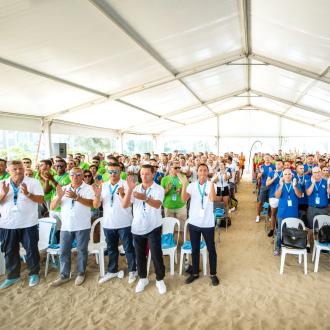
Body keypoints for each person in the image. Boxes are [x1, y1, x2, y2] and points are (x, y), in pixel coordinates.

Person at [122, 164, 166, 294]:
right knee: (139, 255)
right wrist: (129, 190)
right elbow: (125, 205)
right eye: (142, 174)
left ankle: (160, 279)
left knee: (156, 255)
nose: (144, 176)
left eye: (147, 174)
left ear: (153, 174)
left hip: (153, 227)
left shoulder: (158, 189)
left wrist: (145, 198)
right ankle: (143, 278)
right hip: (137, 227)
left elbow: (157, 205)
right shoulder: (135, 188)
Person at [0, 160, 44, 289]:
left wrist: (28, 194)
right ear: (8, 170)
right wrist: (3, 193)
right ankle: (13, 276)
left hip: (28, 223)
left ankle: (34, 273)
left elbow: (41, 200)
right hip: (7, 224)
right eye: (14, 169)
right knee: (10, 251)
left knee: (31, 250)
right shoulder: (2, 183)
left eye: (20, 168)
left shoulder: (33, 182)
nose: (18, 171)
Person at [93, 163, 137, 284]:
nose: (113, 174)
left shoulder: (126, 184)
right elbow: (96, 205)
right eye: (110, 171)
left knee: (128, 248)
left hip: (124, 222)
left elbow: (128, 204)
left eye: (116, 171)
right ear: (107, 172)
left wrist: (122, 194)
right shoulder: (103, 186)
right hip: (108, 223)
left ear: (120, 171)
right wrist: (97, 195)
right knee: (111, 249)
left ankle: (133, 270)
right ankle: (112, 270)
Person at [50, 167, 95, 287]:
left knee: (82, 251)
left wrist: (77, 197)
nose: (75, 177)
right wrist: (59, 196)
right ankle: (64, 275)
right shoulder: (63, 188)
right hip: (66, 226)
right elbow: (52, 206)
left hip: (82, 225)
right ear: (69, 176)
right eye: (72, 174)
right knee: (64, 251)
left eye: (78, 174)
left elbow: (92, 204)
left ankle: (81, 273)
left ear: (82, 176)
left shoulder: (88, 188)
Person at [179, 163, 220, 286]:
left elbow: (213, 199)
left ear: (207, 172)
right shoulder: (192, 186)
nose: (202, 172)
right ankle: (195, 273)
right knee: (195, 249)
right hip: (194, 223)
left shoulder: (212, 185)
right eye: (200, 170)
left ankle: (213, 274)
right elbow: (184, 199)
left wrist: (212, 182)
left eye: (205, 170)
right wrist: (185, 184)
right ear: (197, 172)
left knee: (211, 249)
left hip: (208, 223)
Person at [274, 169, 302, 255]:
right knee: (279, 232)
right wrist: (281, 186)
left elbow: (300, 195)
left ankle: (290, 245)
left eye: (289, 174)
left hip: (293, 213)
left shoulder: (296, 184)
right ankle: (278, 247)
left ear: (292, 175)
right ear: (283, 176)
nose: (287, 175)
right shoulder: (279, 185)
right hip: (282, 213)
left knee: (293, 231)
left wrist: (294, 187)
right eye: (285, 174)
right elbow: (277, 196)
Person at [305, 166, 330, 246]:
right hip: (312, 208)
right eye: (315, 172)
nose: (317, 174)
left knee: (322, 227)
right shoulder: (308, 182)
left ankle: (321, 241)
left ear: (321, 172)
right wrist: (313, 183)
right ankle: (308, 243)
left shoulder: (326, 182)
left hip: (324, 209)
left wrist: (329, 186)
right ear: (312, 173)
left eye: (319, 172)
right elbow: (308, 193)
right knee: (310, 227)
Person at [161, 161, 187, 233]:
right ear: (170, 168)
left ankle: (181, 243)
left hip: (181, 205)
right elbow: (160, 194)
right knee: (169, 229)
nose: (178, 169)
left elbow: (188, 191)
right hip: (168, 206)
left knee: (181, 229)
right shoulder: (164, 179)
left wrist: (182, 189)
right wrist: (167, 190)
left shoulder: (183, 177)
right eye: (176, 168)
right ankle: (171, 243)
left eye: (179, 167)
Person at [266, 160, 284, 237]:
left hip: (283, 196)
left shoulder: (285, 173)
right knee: (273, 214)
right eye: (276, 164)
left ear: (282, 165)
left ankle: (280, 230)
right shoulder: (271, 173)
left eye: (279, 164)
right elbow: (267, 183)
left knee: (281, 214)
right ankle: (272, 229)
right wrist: (274, 178)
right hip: (273, 196)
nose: (277, 165)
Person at [256, 154, 275, 223]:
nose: (267, 159)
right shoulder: (261, 166)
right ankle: (258, 215)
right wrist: (261, 173)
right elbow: (258, 177)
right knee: (260, 201)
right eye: (266, 158)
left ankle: (270, 216)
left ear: (271, 159)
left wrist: (271, 172)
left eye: (268, 158)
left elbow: (275, 177)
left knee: (270, 202)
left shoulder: (274, 166)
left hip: (272, 186)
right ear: (263, 158)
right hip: (263, 186)